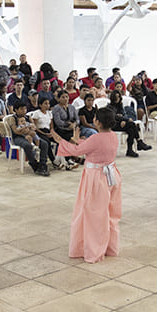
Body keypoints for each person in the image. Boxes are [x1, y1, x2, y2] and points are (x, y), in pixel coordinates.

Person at [49, 108, 121, 262]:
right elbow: (88, 147)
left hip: (96, 178)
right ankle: (109, 246)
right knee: (108, 212)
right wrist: (75, 140)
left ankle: (94, 250)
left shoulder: (96, 138)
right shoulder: (113, 136)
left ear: (98, 122)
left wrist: (60, 141)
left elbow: (78, 150)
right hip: (111, 176)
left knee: (93, 213)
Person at [108, 91, 152, 157]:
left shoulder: (120, 105)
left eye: (118, 97)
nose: (117, 98)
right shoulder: (109, 106)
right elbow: (114, 117)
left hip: (122, 123)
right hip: (113, 124)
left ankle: (130, 150)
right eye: (116, 97)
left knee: (131, 129)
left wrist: (124, 120)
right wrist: (125, 119)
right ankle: (139, 142)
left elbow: (124, 115)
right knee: (132, 124)